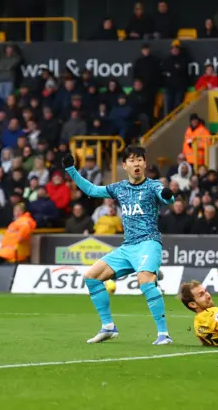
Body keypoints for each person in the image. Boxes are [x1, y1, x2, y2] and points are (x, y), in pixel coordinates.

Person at [63, 145, 175, 345]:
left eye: (140, 159)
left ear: (145, 163)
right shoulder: (119, 188)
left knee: (145, 281)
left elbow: (167, 197)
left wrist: (167, 194)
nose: (137, 163)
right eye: (132, 160)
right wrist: (71, 170)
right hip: (128, 247)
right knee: (91, 277)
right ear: (125, 165)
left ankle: (163, 334)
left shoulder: (153, 186)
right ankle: (108, 327)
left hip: (148, 242)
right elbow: (91, 190)